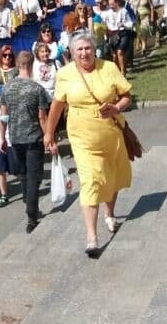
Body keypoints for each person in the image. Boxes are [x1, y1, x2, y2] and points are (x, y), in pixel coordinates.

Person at [43, 32, 134, 259]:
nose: (84, 53)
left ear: (95, 50)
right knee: (91, 181)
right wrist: (49, 133)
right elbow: (56, 106)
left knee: (111, 176)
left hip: (110, 133)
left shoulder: (109, 67)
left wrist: (116, 108)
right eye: (79, 50)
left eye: (88, 48)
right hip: (82, 137)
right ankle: (92, 239)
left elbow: (126, 96)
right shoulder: (64, 74)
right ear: (72, 54)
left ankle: (109, 213)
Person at [2, 50, 51, 233]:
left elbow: (3, 114)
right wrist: (49, 137)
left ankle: (26, 199)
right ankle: (32, 214)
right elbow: (42, 117)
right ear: (32, 66)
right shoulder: (36, 89)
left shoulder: (8, 88)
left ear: (17, 64)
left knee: (22, 173)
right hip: (33, 137)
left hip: (15, 137)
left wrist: (1, 137)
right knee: (33, 176)